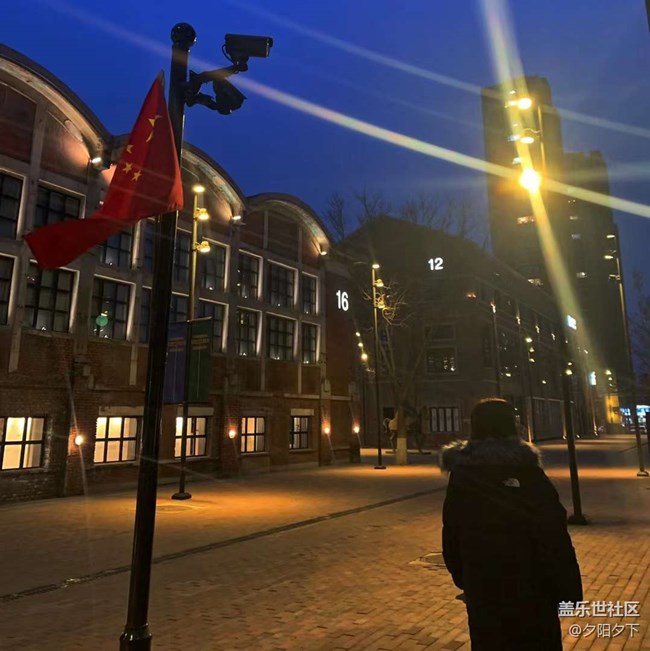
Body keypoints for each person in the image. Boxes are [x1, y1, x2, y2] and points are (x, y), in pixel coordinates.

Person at [441, 398, 582, 651]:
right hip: (534, 588)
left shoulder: (461, 477)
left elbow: (451, 535)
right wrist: (568, 589)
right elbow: (554, 535)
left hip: (484, 589)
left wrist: (467, 579)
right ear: (511, 427)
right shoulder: (529, 474)